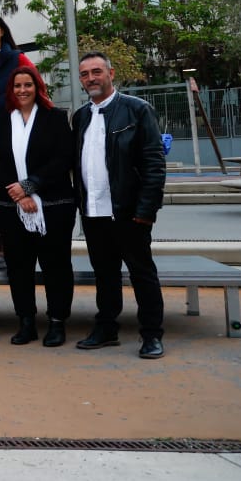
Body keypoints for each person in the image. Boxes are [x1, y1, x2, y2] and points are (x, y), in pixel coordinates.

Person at [72, 51, 167, 359]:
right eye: (85, 74)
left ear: (111, 73)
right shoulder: (81, 116)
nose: (91, 78)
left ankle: (152, 335)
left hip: (128, 212)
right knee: (105, 274)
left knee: (142, 274)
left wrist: (146, 210)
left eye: (97, 71)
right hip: (94, 212)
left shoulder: (137, 110)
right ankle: (107, 328)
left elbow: (154, 163)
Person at [0, 65, 75, 347]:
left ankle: (57, 322)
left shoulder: (55, 118)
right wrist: (19, 194)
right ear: (10, 91)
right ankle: (26, 321)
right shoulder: (0, 120)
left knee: (56, 265)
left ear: (37, 87)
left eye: (28, 85)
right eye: (17, 86)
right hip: (11, 207)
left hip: (53, 205)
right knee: (18, 266)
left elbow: (63, 159)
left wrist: (30, 186)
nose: (22, 90)